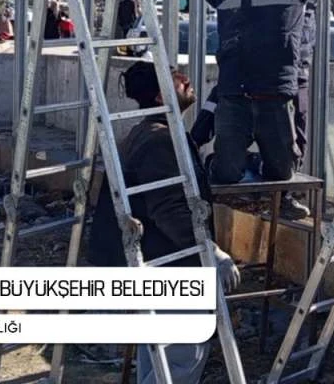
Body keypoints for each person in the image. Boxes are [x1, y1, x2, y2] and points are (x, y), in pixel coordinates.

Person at [86, 60, 239, 384]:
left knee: (160, 359)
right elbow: (171, 211)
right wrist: (212, 253)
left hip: (156, 263)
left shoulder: (153, 133)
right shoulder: (160, 142)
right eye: (176, 77)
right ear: (159, 97)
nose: (186, 78)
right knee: (181, 359)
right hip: (171, 265)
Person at [198, 0, 334, 219]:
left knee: (294, 139)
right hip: (246, 76)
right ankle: (223, 165)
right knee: (217, 114)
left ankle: (282, 193)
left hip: (294, 74)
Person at [184, 0, 334, 200]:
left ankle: (254, 163)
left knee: (282, 171)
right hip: (235, 97)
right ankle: (220, 162)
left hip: (274, 97)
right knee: (227, 173)